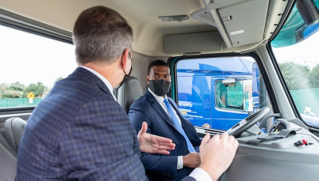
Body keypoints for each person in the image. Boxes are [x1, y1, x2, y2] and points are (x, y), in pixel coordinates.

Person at [15, 6, 238, 181]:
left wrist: (132, 142)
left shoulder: (61, 92)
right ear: (126, 58)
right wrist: (210, 168)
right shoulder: (99, 111)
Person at [129, 60, 202, 181]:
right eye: (156, 76)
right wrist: (183, 161)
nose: (161, 80)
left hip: (195, 155)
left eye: (166, 76)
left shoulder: (170, 102)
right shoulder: (140, 108)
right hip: (176, 171)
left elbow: (183, 131)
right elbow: (138, 156)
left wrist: (205, 143)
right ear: (148, 79)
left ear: (171, 79)